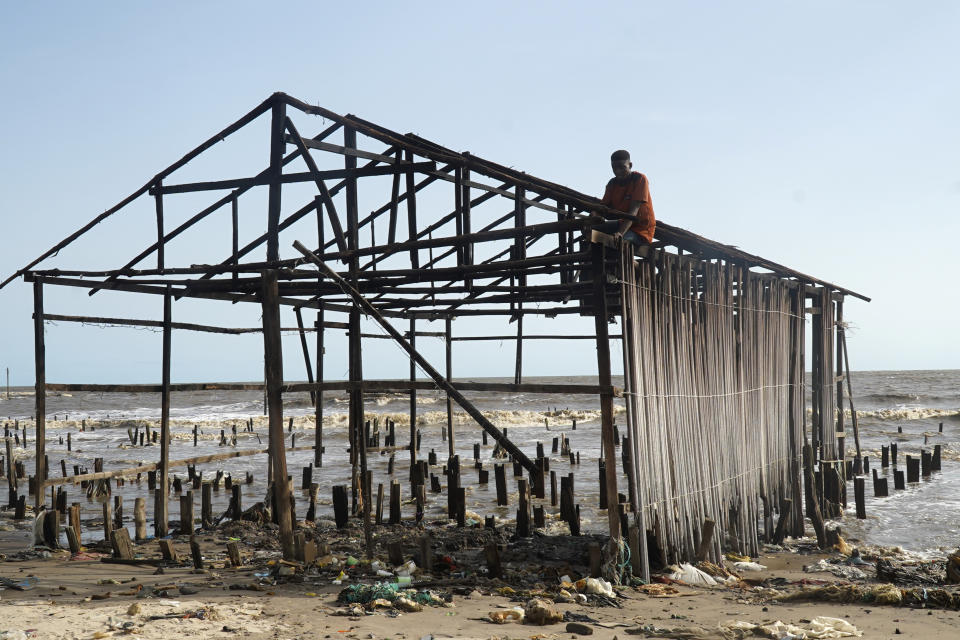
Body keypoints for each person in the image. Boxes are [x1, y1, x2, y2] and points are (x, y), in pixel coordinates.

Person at [593, 149, 655, 246]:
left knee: (617, 242)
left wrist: (620, 233)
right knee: (591, 230)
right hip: (621, 224)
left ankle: (629, 260)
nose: (618, 171)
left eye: (622, 167)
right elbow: (603, 208)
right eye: (614, 168)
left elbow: (633, 213)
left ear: (630, 165)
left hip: (640, 231)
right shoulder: (611, 184)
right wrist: (595, 214)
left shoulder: (639, 179)